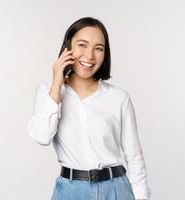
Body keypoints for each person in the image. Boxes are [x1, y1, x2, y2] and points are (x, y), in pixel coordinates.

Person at [28, 17, 151, 200]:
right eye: (82, 45)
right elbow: (42, 136)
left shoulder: (119, 98)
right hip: (70, 192)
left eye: (98, 48)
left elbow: (134, 156)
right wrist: (57, 84)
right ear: (67, 47)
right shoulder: (47, 92)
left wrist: (141, 197)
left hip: (116, 189)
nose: (90, 56)